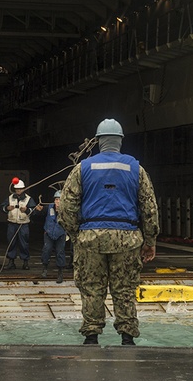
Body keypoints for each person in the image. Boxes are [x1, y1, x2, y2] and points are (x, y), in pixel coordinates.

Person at [59, 119, 160, 346]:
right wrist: (150, 240)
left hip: (90, 237)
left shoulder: (82, 168)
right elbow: (149, 207)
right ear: (120, 141)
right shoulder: (136, 169)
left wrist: (76, 234)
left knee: (92, 287)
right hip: (127, 238)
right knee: (124, 288)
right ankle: (127, 337)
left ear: (99, 141)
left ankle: (91, 335)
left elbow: (66, 206)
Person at [3, 178, 39, 270]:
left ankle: (25, 262)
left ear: (23, 189)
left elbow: (35, 211)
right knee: (11, 243)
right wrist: (7, 208)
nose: (18, 190)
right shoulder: (10, 198)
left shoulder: (28, 199)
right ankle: (11, 262)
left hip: (23, 224)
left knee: (24, 243)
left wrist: (27, 210)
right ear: (14, 189)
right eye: (17, 189)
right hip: (12, 224)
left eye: (20, 189)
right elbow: (2, 207)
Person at [41, 191, 68, 283]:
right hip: (48, 233)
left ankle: (60, 273)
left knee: (60, 252)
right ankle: (44, 268)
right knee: (46, 249)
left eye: (60, 200)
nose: (58, 202)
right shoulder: (49, 208)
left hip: (61, 234)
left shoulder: (67, 210)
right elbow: (39, 213)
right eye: (56, 199)